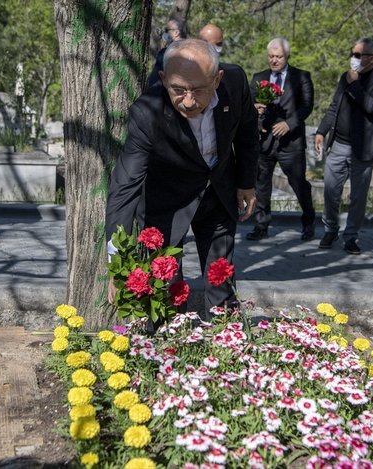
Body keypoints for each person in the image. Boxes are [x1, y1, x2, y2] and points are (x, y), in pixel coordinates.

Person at [106, 39, 259, 321]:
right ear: (164, 79)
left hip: (218, 195)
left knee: (221, 282)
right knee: (166, 289)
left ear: (217, 78)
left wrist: (246, 183)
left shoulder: (235, 82)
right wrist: (117, 265)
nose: (188, 101)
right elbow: (124, 187)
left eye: (198, 90)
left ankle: (224, 342)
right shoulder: (147, 112)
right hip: (167, 202)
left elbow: (247, 130)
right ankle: (169, 347)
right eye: (178, 90)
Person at [314, 37, 373, 255]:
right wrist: (321, 131)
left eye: (359, 55)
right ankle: (330, 230)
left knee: (357, 197)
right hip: (338, 144)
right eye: (353, 53)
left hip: (364, 149)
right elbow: (334, 107)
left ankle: (350, 237)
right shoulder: (345, 77)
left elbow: (372, 107)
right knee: (330, 191)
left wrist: (355, 83)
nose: (353, 58)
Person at [247, 38, 315, 242]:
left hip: (291, 142)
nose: (274, 60)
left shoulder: (301, 77)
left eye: (278, 57)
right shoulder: (259, 77)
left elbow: (307, 105)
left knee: (298, 183)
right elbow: (249, 101)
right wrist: (255, 109)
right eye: (271, 56)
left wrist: (289, 124)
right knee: (261, 185)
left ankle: (308, 223)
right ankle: (261, 225)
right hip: (265, 140)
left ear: (287, 57)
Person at [146, 19, 185, 88]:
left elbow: (154, 78)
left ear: (176, 32)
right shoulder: (190, 51)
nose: (165, 33)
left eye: (167, 30)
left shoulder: (165, 53)